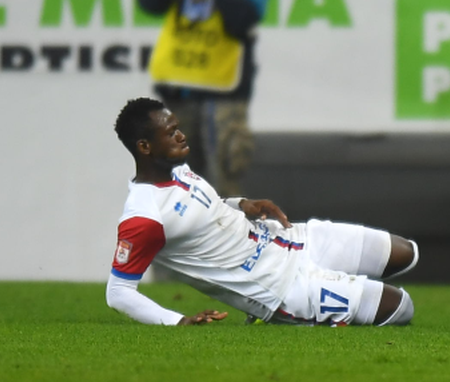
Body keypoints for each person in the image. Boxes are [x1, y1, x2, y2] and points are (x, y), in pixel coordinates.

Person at [107, 97, 419, 327]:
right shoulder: (144, 216)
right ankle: (292, 316)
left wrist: (242, 204)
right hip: (280, 287)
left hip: (290, 240)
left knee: (406, 252)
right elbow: (119, 292)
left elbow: (205, 213)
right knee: (401, 307)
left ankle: (339, 299)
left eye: (177, 127)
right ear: (145, 147)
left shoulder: (177, 170)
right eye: (171, 131)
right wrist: (177, 320)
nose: (181, 135)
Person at [137, 0, 267, 198]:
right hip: (181, 90)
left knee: (224, 184)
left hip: (224, 93)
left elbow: (243, 20)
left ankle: (226, 231)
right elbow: (149, 1)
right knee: (179, 186)